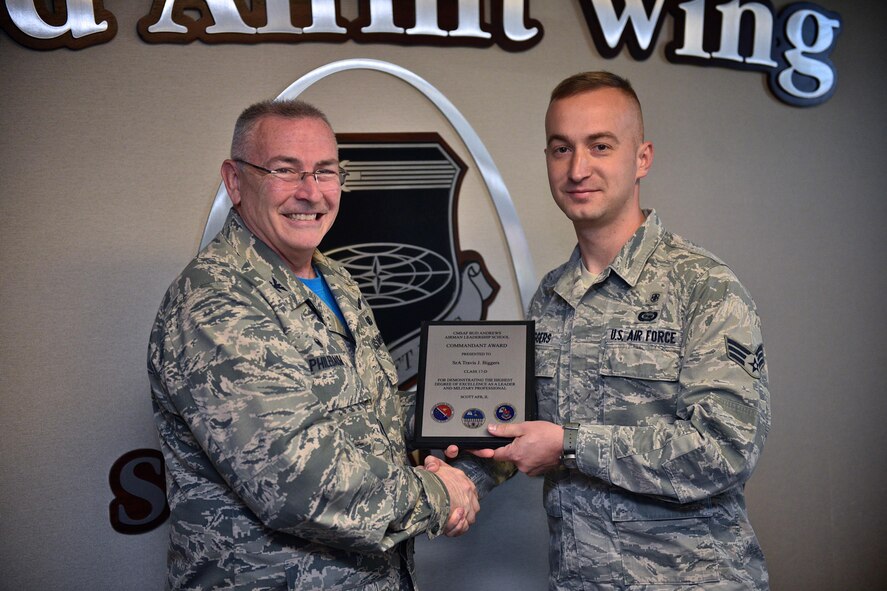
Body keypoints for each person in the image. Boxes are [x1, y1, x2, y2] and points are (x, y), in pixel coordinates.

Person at [429, 71, 771, 590]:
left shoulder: (703, 287)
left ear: (642, 158)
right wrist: (459, 478)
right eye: (561, 148)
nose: (578, 168)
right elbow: (523, 432)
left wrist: (569, 446)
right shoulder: (549, 298)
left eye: (600, 146)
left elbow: (724, 449)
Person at [148, 98, 478, 591]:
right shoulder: (216, 302)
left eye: (325, 172)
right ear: (235, 181)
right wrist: (437, 495)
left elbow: (367, 414)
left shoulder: (335, 280)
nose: (311, 192)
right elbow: (295, 481)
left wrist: (470, 419)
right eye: (286, 170)